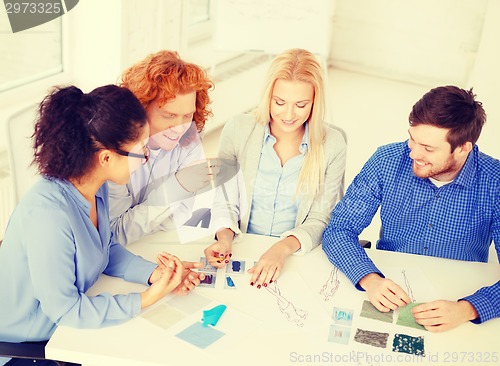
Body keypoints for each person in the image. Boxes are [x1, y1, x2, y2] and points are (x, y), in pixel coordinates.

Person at [0, 85, 204, 366]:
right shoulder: (48, 215)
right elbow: (68, 310)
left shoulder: (95, 188)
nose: (145, 160)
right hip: (32, 346)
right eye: (140, 151)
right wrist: (145, 299)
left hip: (67, 333)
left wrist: (155, 274)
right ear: (106, 158)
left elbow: (103, 246)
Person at [322, 85, 500, 332]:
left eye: (428, 148)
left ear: (462, 148)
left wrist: (468, 308)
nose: (413, 153)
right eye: (412, 139)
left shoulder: (495, 182)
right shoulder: (387, 160)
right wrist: (369, 278)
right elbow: (339, 229)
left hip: (459, 297)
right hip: (390, 285)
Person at [204, 48, 347, 287]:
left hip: (295, 253)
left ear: (315, 102)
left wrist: (281, 249)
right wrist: (224, 238)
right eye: (279, 102)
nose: (288, 114)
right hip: (241, 246)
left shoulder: (333, 143)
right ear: (268, 96)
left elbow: (322, 217)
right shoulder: (238, 129)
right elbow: (225, 199)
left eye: (301, 105)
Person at [109, 50, 215, 245]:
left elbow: (183, 216)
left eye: (187, 116)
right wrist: (178, 186)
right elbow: (115, 233)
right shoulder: (116, 149)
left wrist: (140, 220)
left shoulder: (188, 140)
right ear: (141, 107)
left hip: (159, 245)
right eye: (168, 116)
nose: (180, 128)